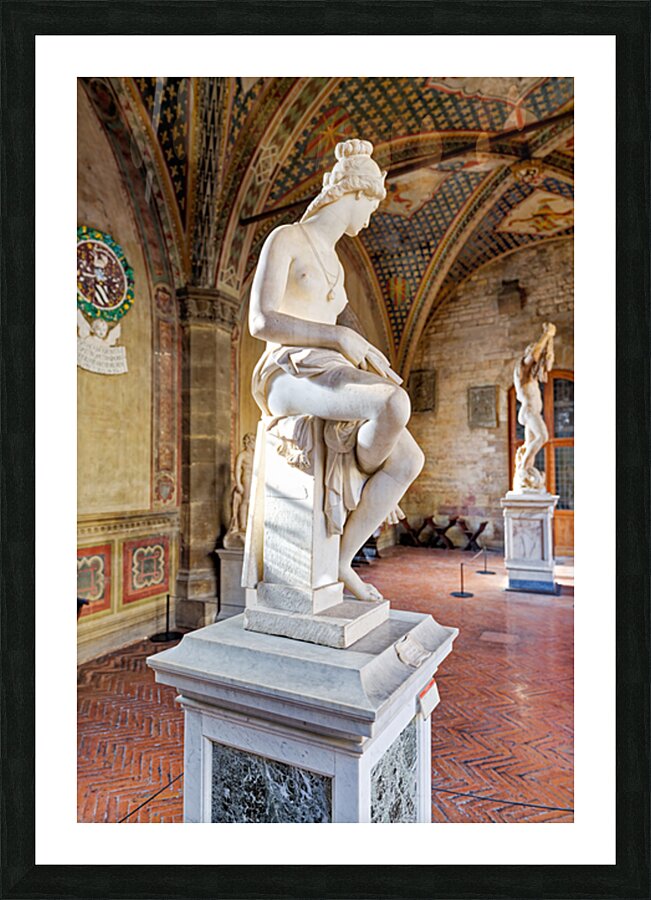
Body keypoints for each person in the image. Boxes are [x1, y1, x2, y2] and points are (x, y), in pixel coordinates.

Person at [248, 139, 424, 601]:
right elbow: (261, 322)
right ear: (353, 195)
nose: (369, 219)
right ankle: (358, 461)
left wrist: (367, 351)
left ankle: (341, 560)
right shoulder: (286, 237)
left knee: (408, 459)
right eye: (371, 206)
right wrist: (339, 338)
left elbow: (348, 324)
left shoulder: (337, 265)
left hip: (325, 369)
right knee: (392, 404)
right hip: (286, 373)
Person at [513, 321, 556, 491]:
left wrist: (550, 341)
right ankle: (523, 469)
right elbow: (535, 355)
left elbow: (546, 362)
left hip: (532, 412)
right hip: (529, 412)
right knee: (543, 437)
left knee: (530, 444)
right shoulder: (522, 370)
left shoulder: (532, 378)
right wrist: (546, 334)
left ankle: (525, 473)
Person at [223, 433, 255, 548]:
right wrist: (239, 483)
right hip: (246, 478)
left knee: (253, 502)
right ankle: (243, 525)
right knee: (245, 501)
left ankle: (251, 522)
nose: (254, 443)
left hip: (255, 478)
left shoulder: (255, 455)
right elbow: (237, 469)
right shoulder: (243, 455)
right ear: (248, 442)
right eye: (252, 440)